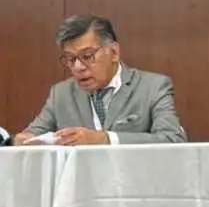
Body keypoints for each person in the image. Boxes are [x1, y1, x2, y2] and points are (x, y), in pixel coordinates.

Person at [14, 16, 186, 145]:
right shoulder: (61, 93)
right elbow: (31, 135)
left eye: (87, 56)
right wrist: (21, 141)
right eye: (70, 59)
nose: (78, 67)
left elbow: (173, 139)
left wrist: (105, 139)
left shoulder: (153, 87)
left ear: (114, 52)